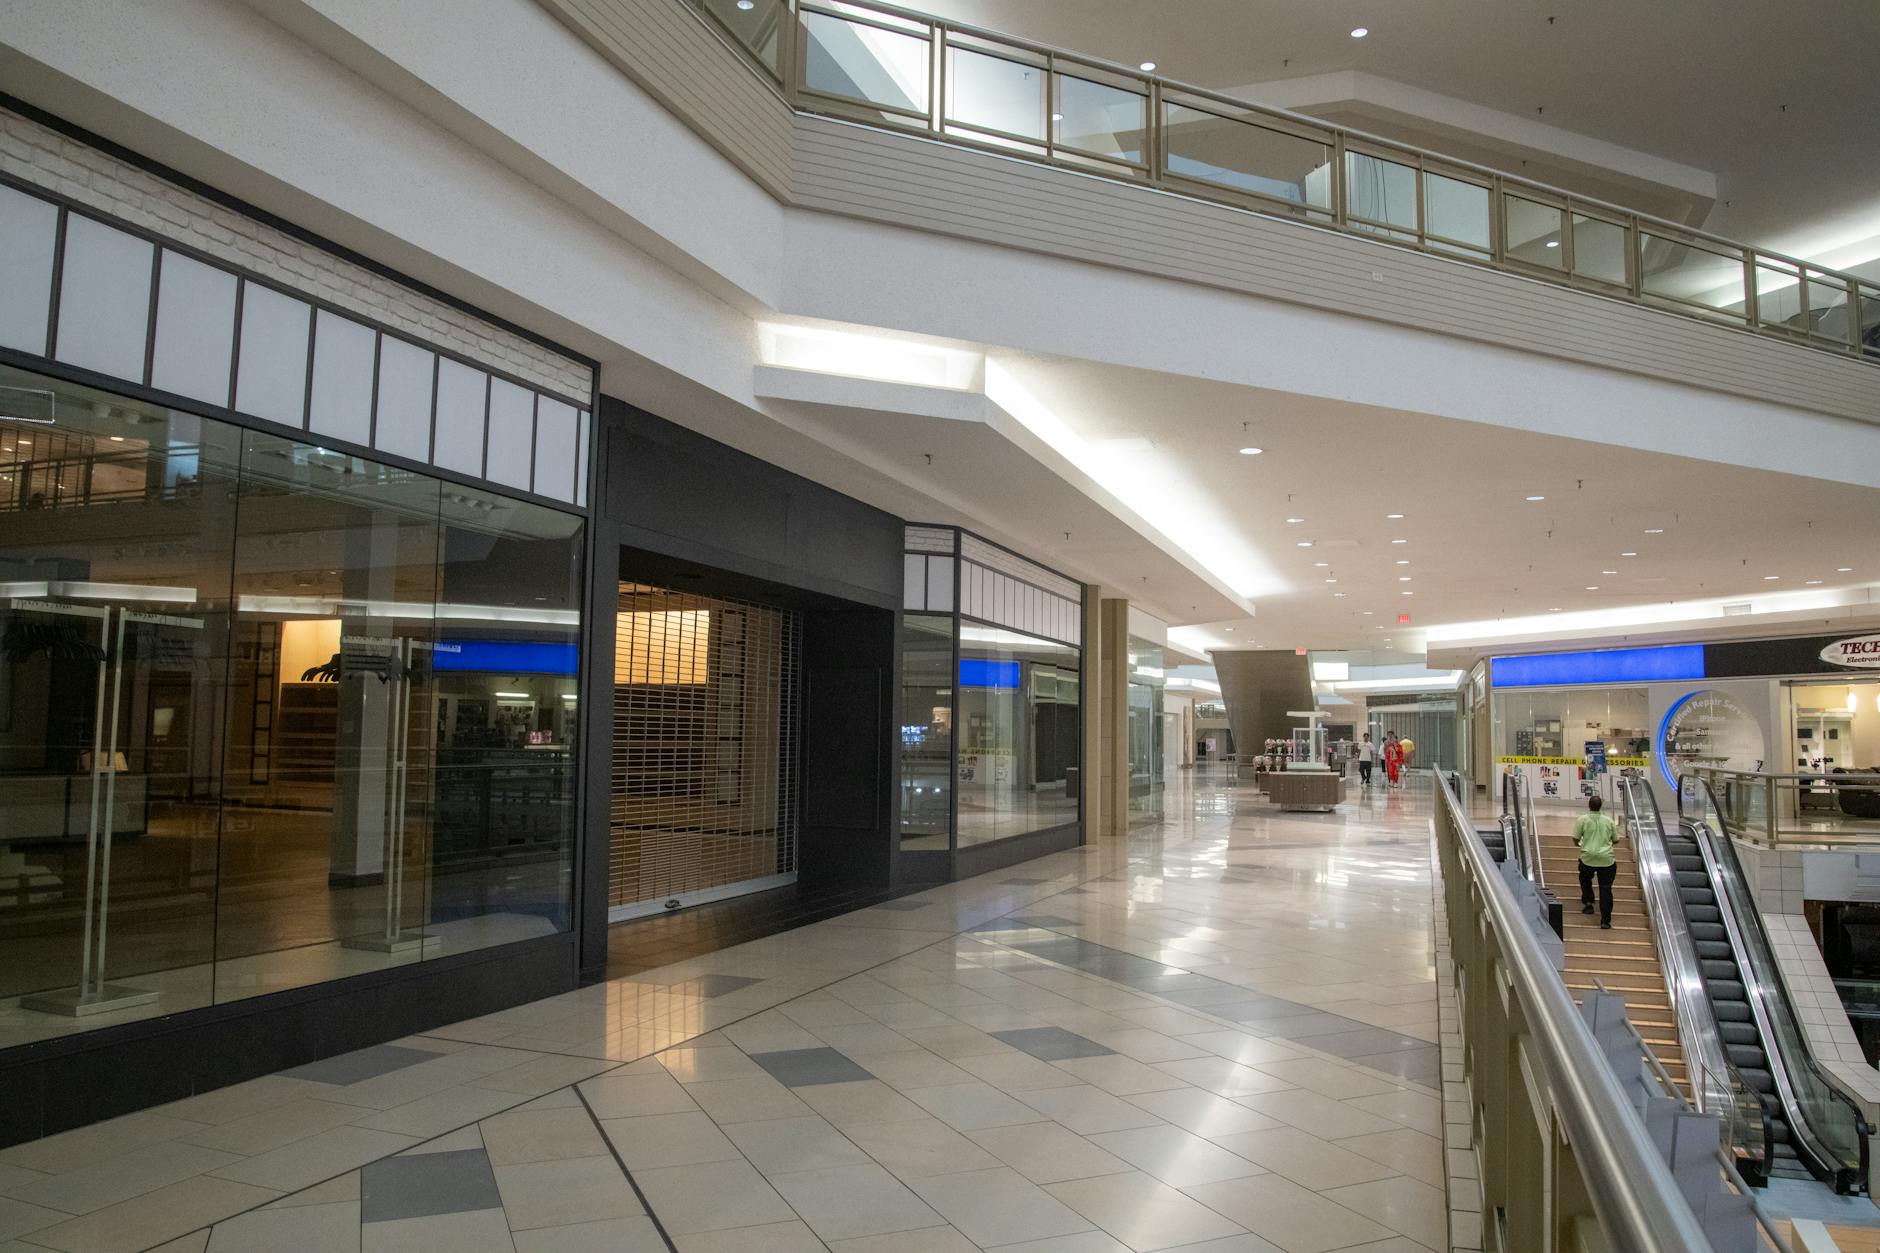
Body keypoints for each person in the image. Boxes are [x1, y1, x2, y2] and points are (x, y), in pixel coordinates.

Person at [1574, 795, 1620, 929]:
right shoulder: (1609, 821)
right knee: (1605, 888)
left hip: (1587, 857)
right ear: (1601, 806)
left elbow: (1575, 838)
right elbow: (1616, 840)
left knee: (1585, 879)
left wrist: (1580, 845)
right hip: (1607, 860)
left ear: (1589, 805)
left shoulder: (1582, 819)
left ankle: (1588, 903)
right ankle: (1605, 921)